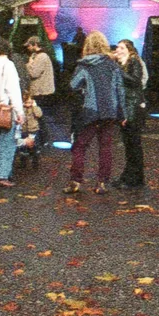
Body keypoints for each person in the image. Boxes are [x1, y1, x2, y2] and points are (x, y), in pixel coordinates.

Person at [66, 30, 125, 195]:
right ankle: (102, 183)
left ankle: (76, 181)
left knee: (80, 146)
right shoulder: (113, 65)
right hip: (109, 111)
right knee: (105, 147)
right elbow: (120, 90)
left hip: (90, 111)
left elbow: (73, 85)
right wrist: (123, 114)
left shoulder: (84, 66)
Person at [0, 39, 25, 187]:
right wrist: (20, 112)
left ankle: (0, 172)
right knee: (7, 144)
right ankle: (2, 175)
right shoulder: (8, 65)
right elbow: (13, 90)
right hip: (6, 110)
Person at [112, 39, 146, 189]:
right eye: (117, 47)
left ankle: (134, 179)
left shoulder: (134, 62)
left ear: (129, 50)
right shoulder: (121, 64)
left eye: (121, 48)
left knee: (133, 144)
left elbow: (135, 81)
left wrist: (118, 71)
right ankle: (129, 176)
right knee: (129, 145)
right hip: (125, 107)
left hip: (133, 108)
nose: (118, 50)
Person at [14, 88, 42, 173]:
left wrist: (34, 106)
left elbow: (39, 114)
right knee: (23, 148)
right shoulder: (21, 108)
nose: (27, 104)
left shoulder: (34, 108)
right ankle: (23, 163)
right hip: (23, 130)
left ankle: (35, 163)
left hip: (33, 130)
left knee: (33, 147)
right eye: (26, 102)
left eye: (29, 102)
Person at [25, 37, 55, 103]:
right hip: (40, 91)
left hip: (42, 93)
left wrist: (29, 64)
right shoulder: (36, 55)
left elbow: (34, 73)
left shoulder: (42, 56)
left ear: (35, 44)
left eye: (29, 45)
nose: (28, 48)